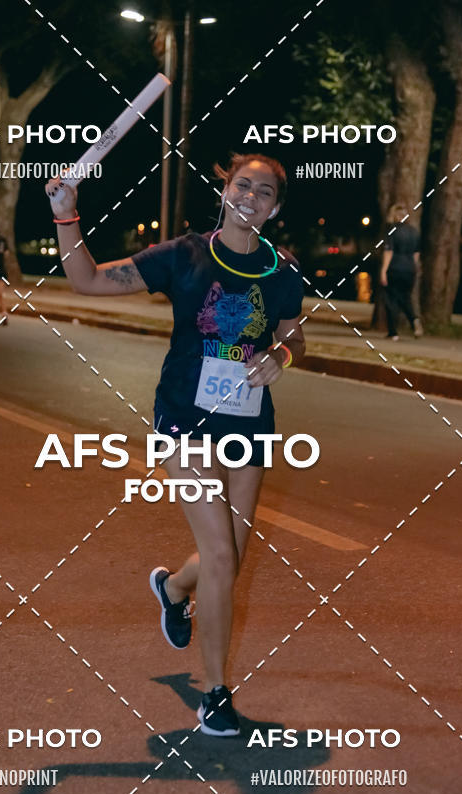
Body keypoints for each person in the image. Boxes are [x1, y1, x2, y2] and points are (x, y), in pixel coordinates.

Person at [45, 153, 306, 737]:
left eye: (265, 192)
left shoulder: (281, 271)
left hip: (248, 423)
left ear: (276, 207)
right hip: (184, 418)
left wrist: (281, 356)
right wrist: (67, 217)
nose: (251, 198)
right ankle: (215, 693)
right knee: (219, 556)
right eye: (243, 185)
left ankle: (171, 587)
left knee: (228, 562)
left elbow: (294, 335)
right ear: (225, 190)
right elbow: (86, 279)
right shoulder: (184, 255)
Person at [380, 203, 423, 340]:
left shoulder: (392, 230)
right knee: (405, 297)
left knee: (390, 300)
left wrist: (383, 271)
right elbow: (416, 253)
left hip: (394, 268)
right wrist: (415, 269)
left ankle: (393, 332)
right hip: (409, 269)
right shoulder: (413, 231)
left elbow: (389, 251)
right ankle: (414, 319)